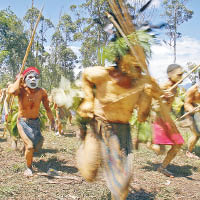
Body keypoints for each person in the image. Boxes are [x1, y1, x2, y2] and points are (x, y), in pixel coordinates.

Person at [77, 52, 166, 199]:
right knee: (90, 174)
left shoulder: (144, 81)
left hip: (122, 134)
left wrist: (149, 96)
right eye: (134, 59)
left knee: (122, 183)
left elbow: (142, 117)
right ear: (119, 60)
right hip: (99, 127)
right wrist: (88, 99)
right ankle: (83, 146)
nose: (138, 64)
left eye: (140, 61)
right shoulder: (104, 74)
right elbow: (86, 74)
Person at [8, 66, 55, 177]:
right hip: (22, 122)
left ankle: (29, 147)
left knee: (37, 146)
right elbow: (12, 91)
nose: (33, 80)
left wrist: (52, 121)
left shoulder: (42, 92)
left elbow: (48, 108)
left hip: (36, 123)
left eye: (36, 77)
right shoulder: (21, 90)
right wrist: (19, 79)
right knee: (29, 146)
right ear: (25, 79)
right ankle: (29, 167)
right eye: (30, 77)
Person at [148, 64, 184, 177]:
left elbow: (170, 105)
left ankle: (162, 168)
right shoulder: (164, 86)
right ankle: (148, 142)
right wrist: (162, 96)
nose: (181, 77)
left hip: (167, 119)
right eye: (179, 75)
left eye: (182, 75)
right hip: (158, 119)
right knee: (160, 150)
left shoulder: (176, 88)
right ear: (170, 74)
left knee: (178, 144)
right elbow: (152, 102)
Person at [184, 71, 200, 159]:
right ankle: (188, 152)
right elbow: (186, 104)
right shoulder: (192, 90)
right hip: (189, 112)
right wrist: (193, 110)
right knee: (196, 133)